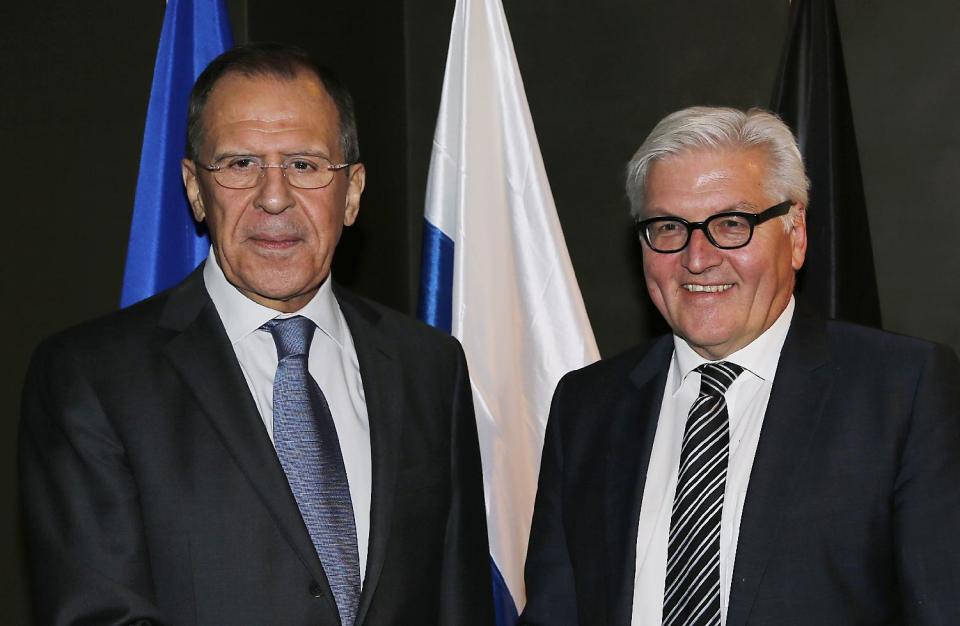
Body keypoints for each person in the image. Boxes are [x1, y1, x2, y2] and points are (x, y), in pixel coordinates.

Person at [19, 42, 494, 626]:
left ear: (353, 192)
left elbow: (458, 605)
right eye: (241, 164)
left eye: (304, 164)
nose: (274, 197)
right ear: (196, 188)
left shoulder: (430, 367)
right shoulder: (92, 379)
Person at [519, 106, 960, 625]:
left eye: (732, 223)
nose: (698, 257)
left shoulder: (900, 391)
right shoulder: (587, 405)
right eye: (667, 227)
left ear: (795, 234)